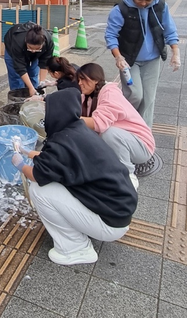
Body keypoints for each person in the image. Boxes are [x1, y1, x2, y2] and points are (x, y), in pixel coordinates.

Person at [11, 88, 137, 266]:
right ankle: (81, 230)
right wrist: (28, 152)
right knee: (53, 185)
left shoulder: (61, 143)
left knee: (39, 191)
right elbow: (59, 163)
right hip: (119, 210)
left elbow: (37, 176)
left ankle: (75, 248)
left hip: (110, 222)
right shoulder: (78, 131)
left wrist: (20, 165)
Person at [104, 0, 180, 130]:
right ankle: (125, 123)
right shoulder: (121, 9)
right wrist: (118, 56)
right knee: (135, 94)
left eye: (148, 0)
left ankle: (144, 131)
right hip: (129, 60)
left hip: (152, 59)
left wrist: (175, 52)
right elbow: (111, 35)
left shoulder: (160, 6)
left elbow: (170, 30)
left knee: (148, 98)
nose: (144, 3)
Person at [77, 63, 155, 189]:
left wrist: (70, 117)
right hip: (128, 140)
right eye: (78, 80)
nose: (80, 83)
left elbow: (98, 123)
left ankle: (128, 176)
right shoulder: (88, 96)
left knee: (109, 133)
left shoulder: (109, 94)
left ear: (95, 79)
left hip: (142, 145)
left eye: (83, 79)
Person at [3, 22, 54, 98]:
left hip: (36, 54)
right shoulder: (18, 40)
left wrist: (42, 83)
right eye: (30, 47)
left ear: (43, 44)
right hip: (13, 51)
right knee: (17, 77)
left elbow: (45, 62)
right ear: (26, 41)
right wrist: (30, 88)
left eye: (37, 48)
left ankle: (34, 95)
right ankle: (20, 100)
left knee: (33, 73)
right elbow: (20, 67)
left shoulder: (49, 42)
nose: (33, 50)